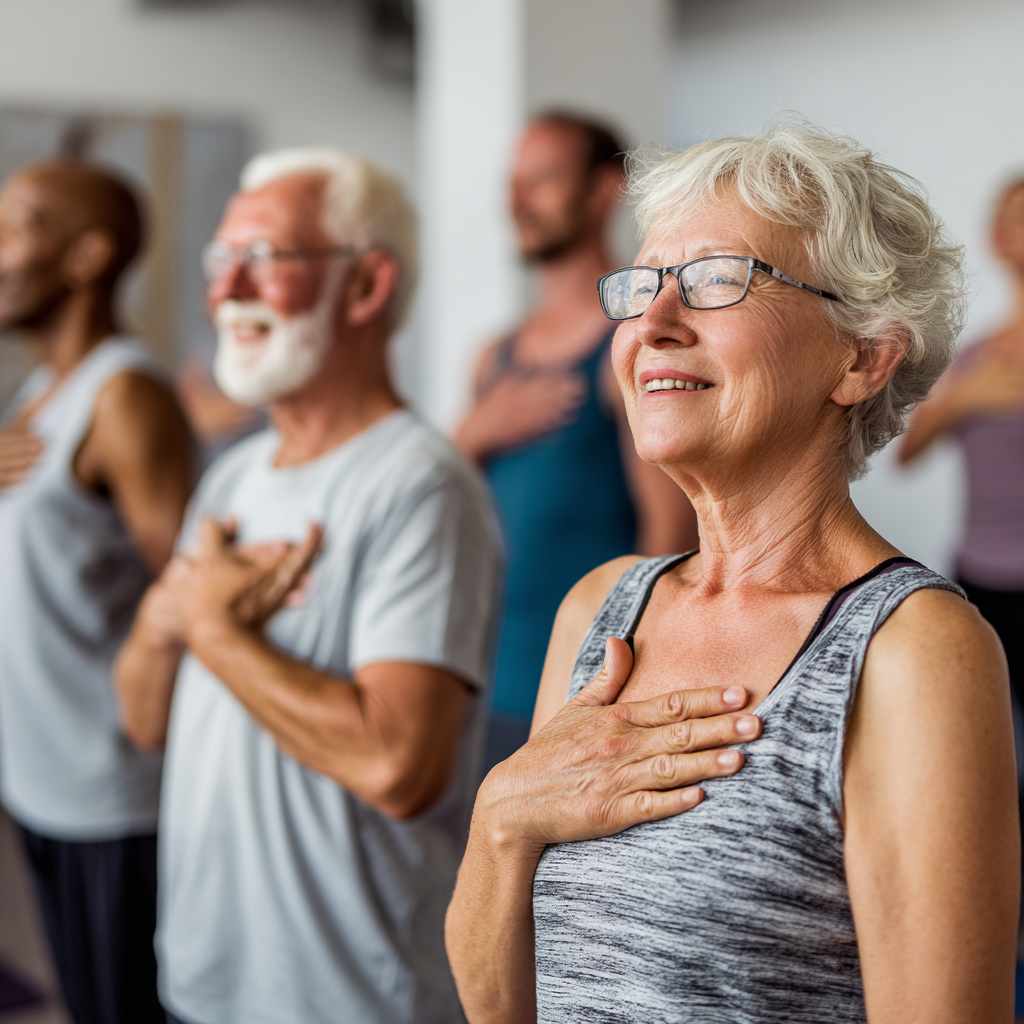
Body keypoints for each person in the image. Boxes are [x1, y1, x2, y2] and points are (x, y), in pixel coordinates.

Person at [446, 121, 1019, 1023]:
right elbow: (495, 998)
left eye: (718, 281)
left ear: (863, 357)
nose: (654, 325)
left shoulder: (912, 653)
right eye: (644, 287)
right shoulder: (602, 607)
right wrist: (498, 818)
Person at [114, 149, 500, 1024]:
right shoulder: (231, 478)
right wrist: (164, 618)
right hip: (204, 980)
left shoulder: (421, 485)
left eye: (267, 258)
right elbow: (144, 720)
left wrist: (214, 630)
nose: (229, 288)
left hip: (348, 999)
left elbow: (398, 764)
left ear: (366, 285)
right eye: (221, 260)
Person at [0, 161, 194, 1024]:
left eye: (17, 227)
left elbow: (190, 597)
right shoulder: (41, 393)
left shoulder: (125, 398)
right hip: (38, 778)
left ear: (88, 256)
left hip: (112, 797)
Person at [455, 113, 697, 769]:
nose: (517, 201)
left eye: (542, 179)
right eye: (513, 182)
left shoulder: (631, 342)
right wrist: (472, 437)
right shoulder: (493, 357)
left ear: (601, 191)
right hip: (482, 689)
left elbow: (671, 533)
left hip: (582, 698)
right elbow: (445, 511)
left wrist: (629, 690)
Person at [900, 176, 1024, 743]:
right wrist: (968, 399)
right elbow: (907, 452)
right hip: (983, 580)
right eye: (1015, 219)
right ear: (997, 239)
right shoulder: (972, 359)